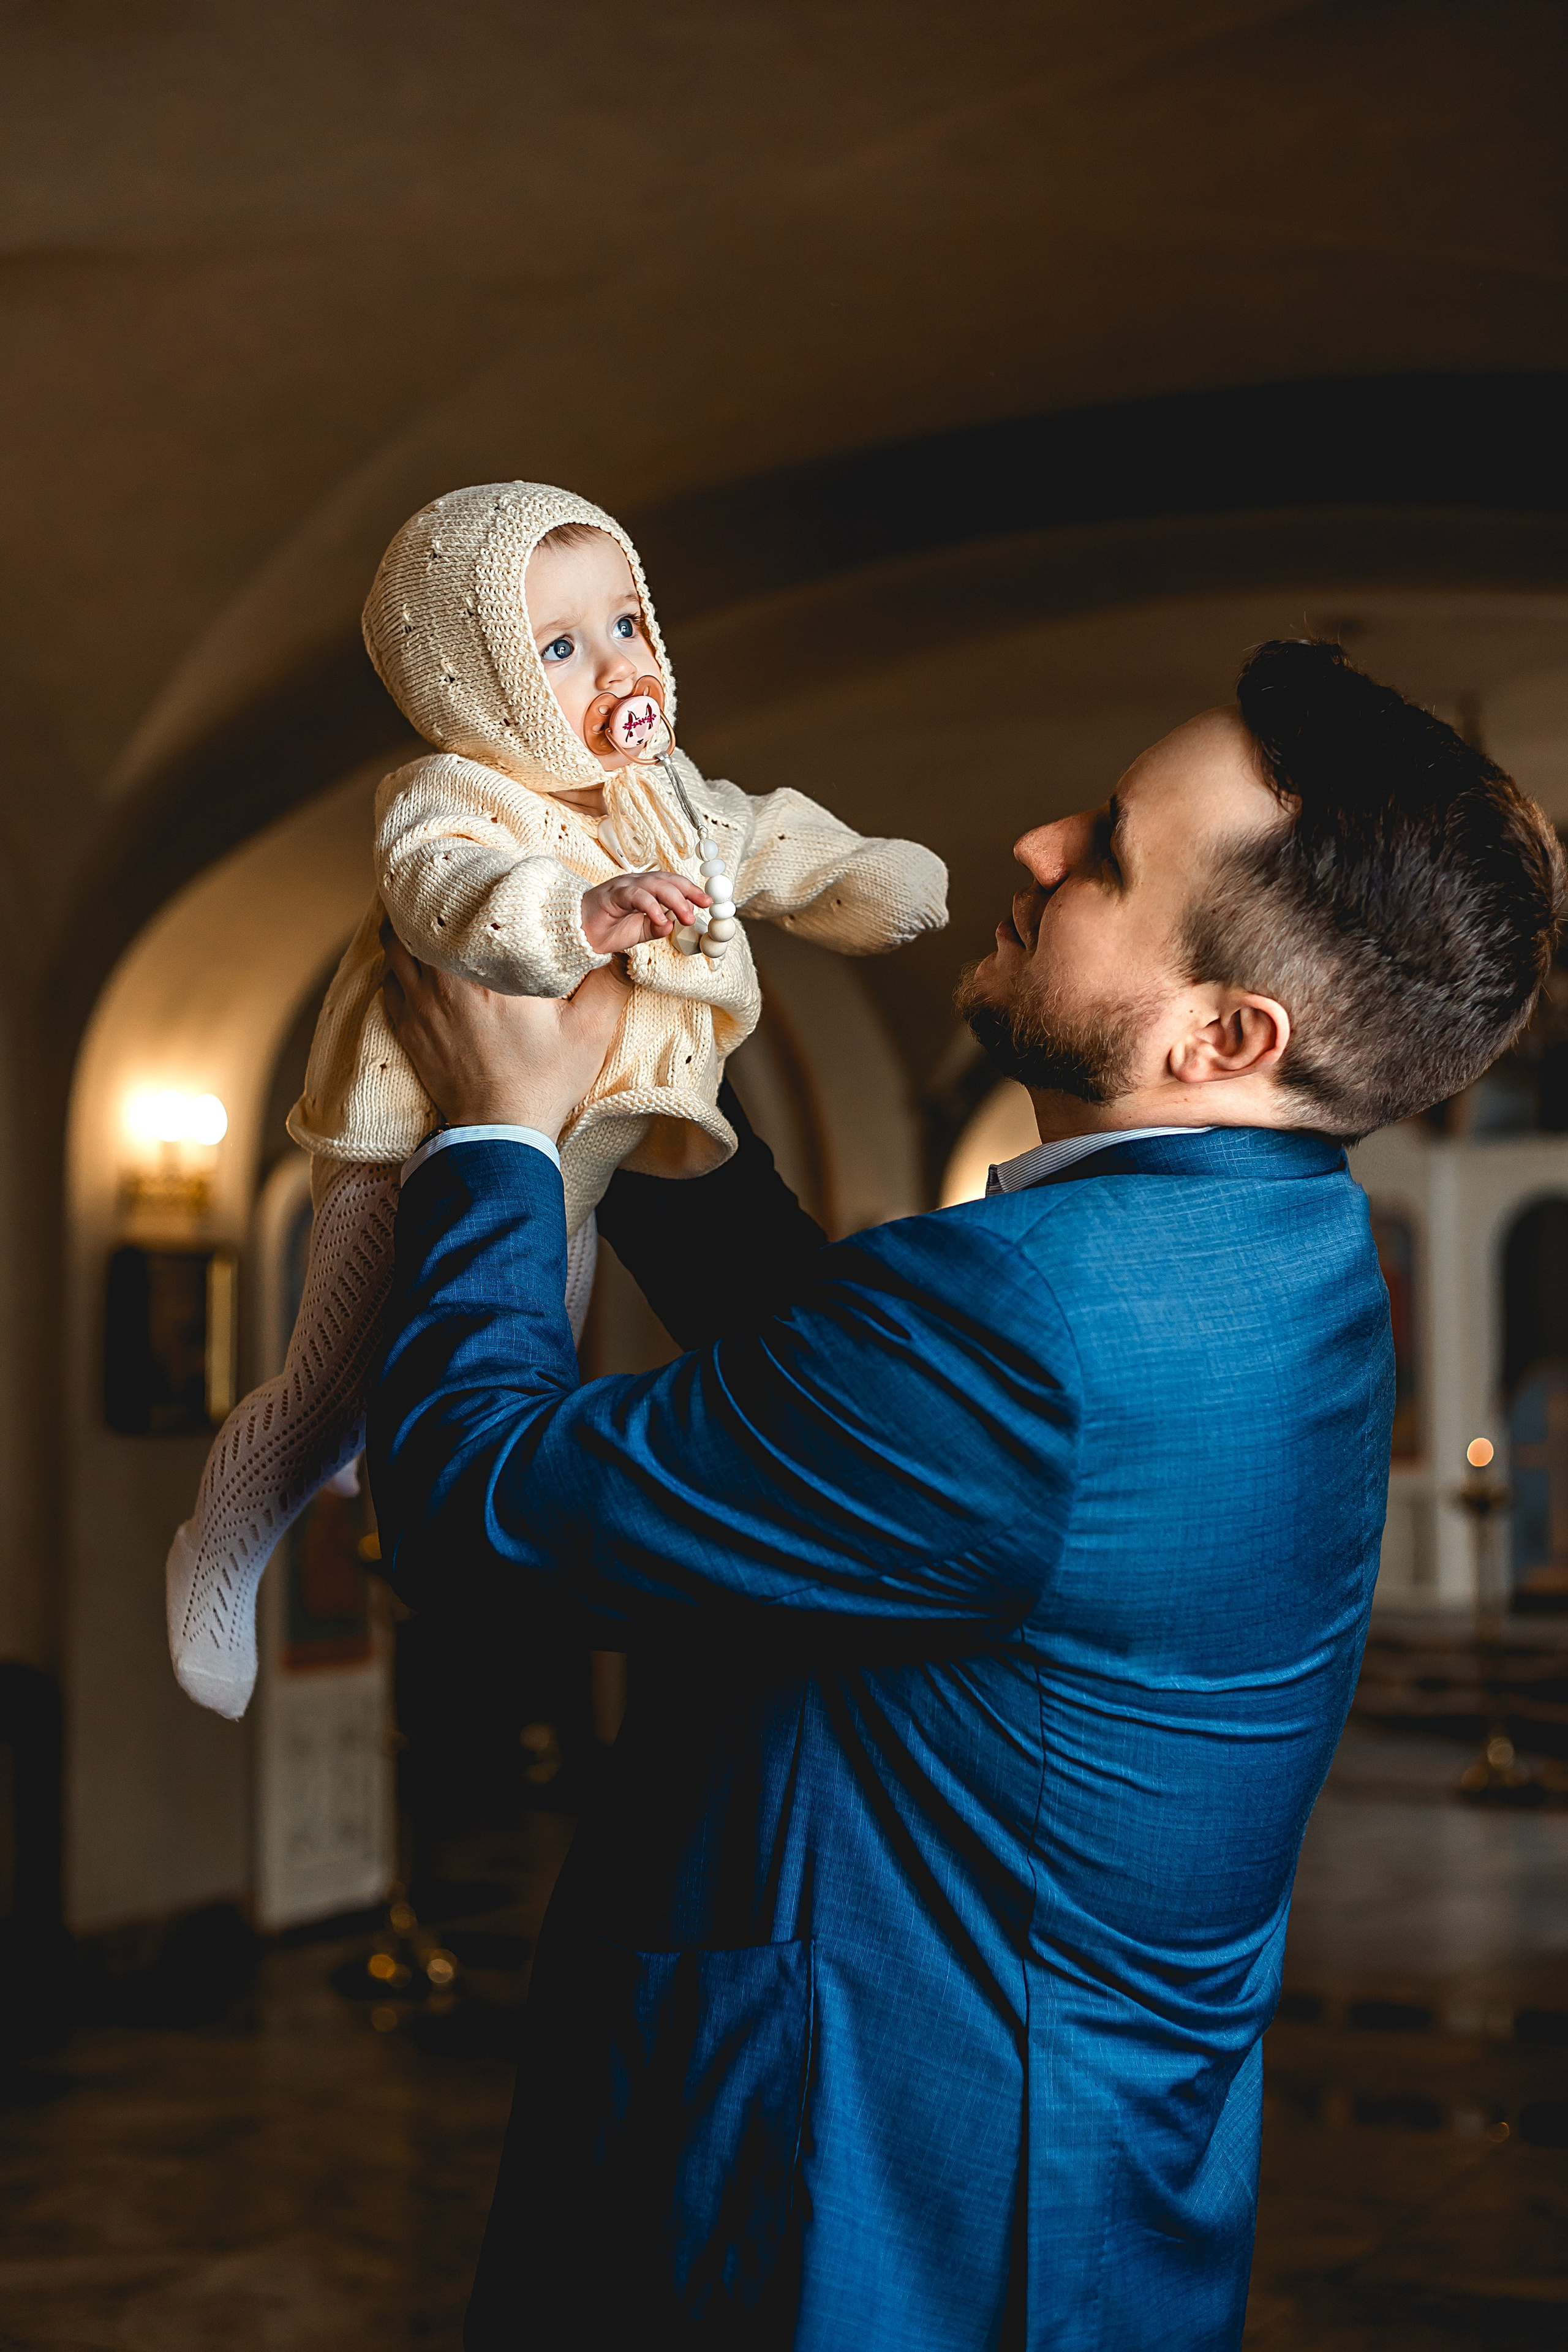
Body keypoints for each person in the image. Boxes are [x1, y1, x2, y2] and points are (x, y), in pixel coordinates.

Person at [370, 640, 1562, 2351]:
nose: (1034, 843)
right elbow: (857, 1434)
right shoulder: (1277, 1247)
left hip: (861, 2208)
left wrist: (496, 1130)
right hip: (1084, 2186)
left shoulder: (1032, 1319)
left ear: (1224, 1033)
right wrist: (656, 1099)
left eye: (1107, 856)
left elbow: (473, 1507)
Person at [164, 480, 946, 1720]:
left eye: (626, 624)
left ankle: (376, 1437)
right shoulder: (452, 794)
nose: (617, 666)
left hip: (578, 1151)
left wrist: (853, 877)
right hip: (413, 1142)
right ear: (480, 687)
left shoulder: (664, 792)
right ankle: (221, 1544)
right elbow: (444, 890)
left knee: (528, 1361)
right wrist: (576, 913)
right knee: (324, 1383)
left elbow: (761, 835)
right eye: (560, 648)